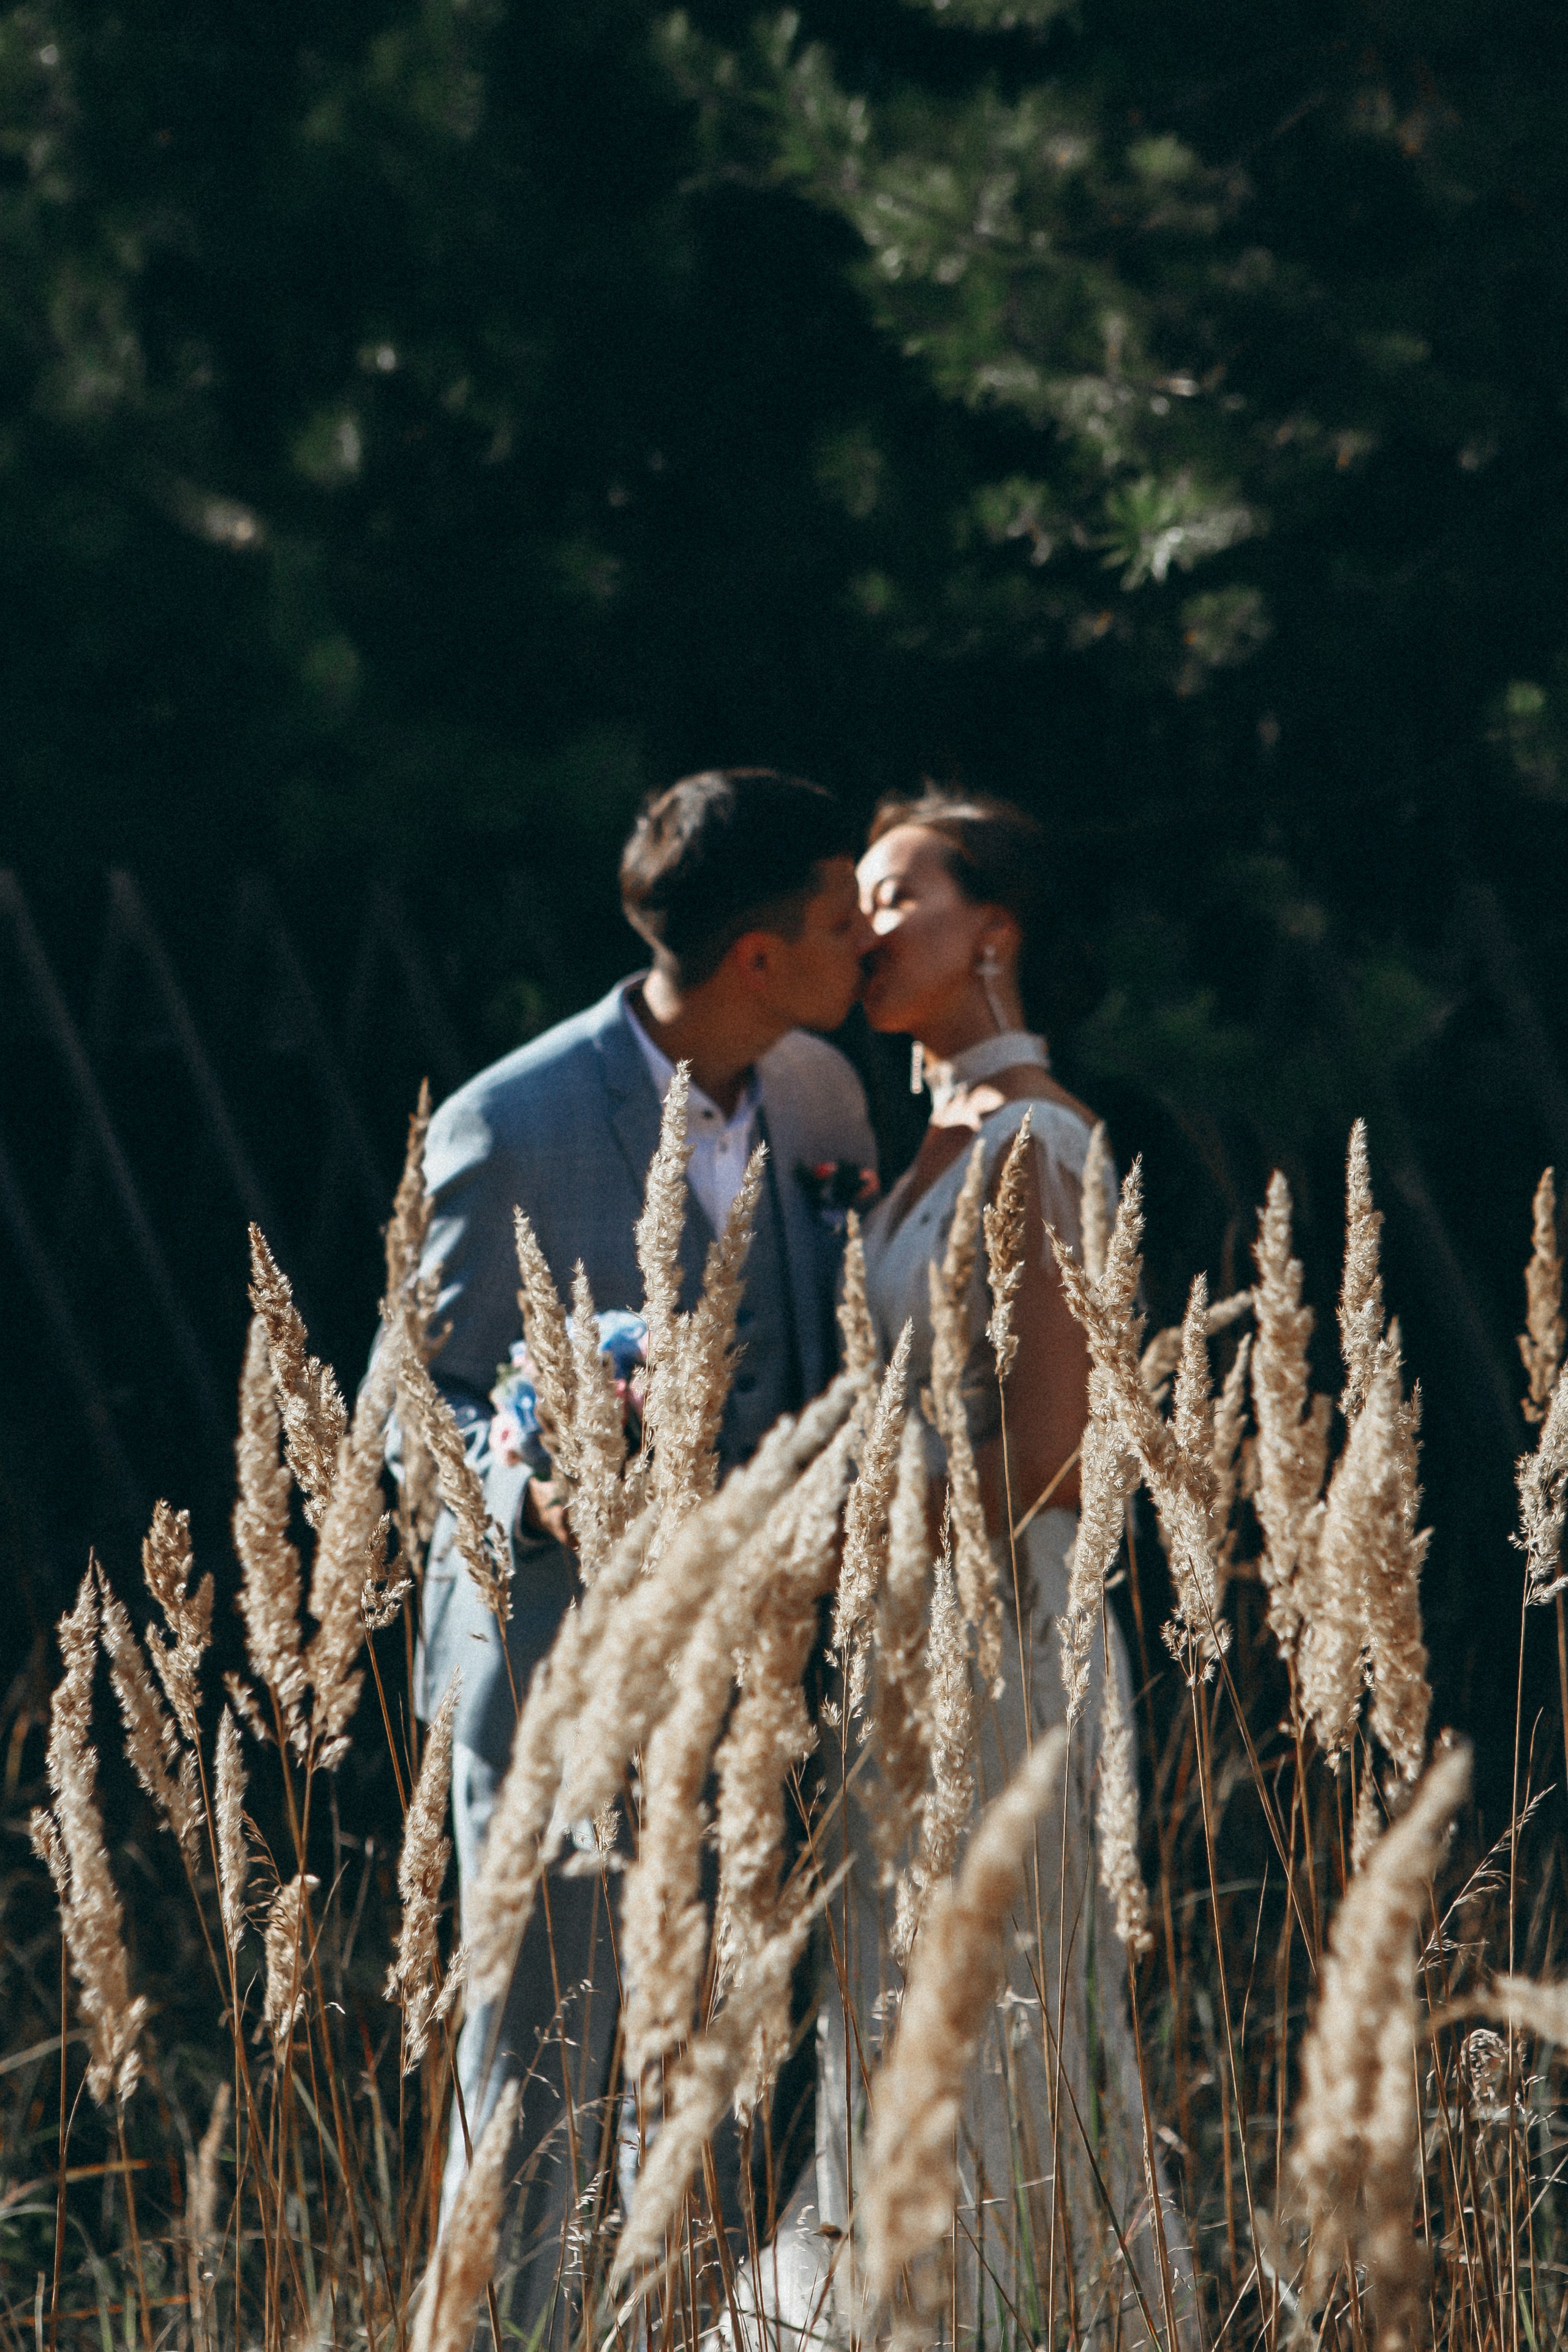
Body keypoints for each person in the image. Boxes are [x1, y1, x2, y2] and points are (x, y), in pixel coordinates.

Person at [410, 768, 878, 2341]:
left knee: (719, 2076)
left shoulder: (818, 1096)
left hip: (758, 1687)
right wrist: (528, 1475)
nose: (861, 941)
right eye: (833, 918)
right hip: (560, 1670)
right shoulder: (515, 1115)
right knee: (536, 2071)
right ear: (758, 956)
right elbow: (412, 1397)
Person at [740, 792, 1196, 2350]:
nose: (865, 928)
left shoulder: (1036, 1139)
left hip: (997, 1631)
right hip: (899, 1639)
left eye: (897, 895)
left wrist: (842, 1541)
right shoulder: (896, 1140)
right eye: (854, 902)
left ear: (992, 930)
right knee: (889, 2009)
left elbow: (1053, 1452)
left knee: (995, 2005)